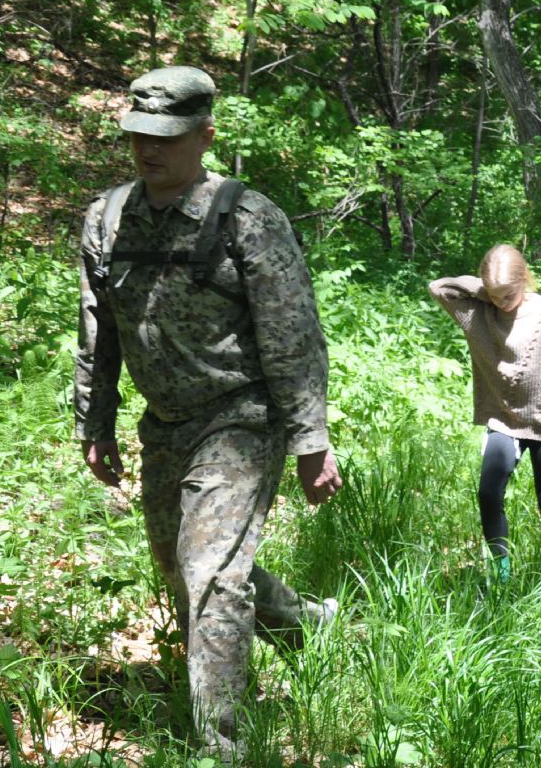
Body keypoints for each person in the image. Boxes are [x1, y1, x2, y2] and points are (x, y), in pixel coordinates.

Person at [76, 65, 342, 756]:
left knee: (210, 577)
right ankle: (308, 623)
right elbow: (99, 330)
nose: (148, 150)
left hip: (241, 419)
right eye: (138, 136)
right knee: (184, 567)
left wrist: (311, 437)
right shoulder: (108, 218)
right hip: (164, 423)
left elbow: (292, 334)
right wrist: (94, 420)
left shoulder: (247, 218)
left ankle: (220, 747)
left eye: (165, 137)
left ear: (205, 136)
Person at [428, 245, 541, 575]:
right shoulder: (477, 313)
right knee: (488, 492)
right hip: (502, 420)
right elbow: (440, 288)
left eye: (507, 295)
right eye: (494, 295)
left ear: (524, 279)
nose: (500, 303)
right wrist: (485, 288)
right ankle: (501, 574)